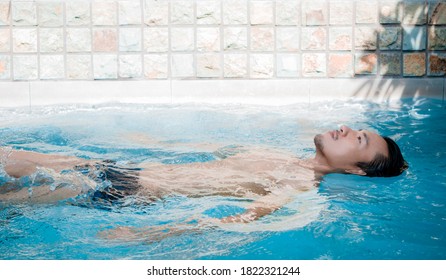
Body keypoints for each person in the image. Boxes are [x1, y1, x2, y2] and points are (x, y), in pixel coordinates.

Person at [0, 125, 407, 227]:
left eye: (358, 140)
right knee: (8, 157)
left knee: (8, 200)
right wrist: (139, 140)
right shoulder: (275, 154)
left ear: (356, 169)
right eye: (356, 128)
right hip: (119, 169)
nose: (345, 130)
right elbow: (199, 153)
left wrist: (150, 236)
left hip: (122, 193)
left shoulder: (298, 186)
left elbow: (238, 222)